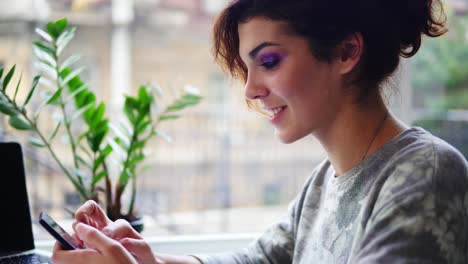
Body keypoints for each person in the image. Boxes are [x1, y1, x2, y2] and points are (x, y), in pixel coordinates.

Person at [52, 0, 468, 263]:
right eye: (247, 70)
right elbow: (258, 259)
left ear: (346, 52)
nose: (250, 90)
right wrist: (148, 261)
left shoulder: (427, 175)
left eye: (268, 62)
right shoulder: (324, 184)